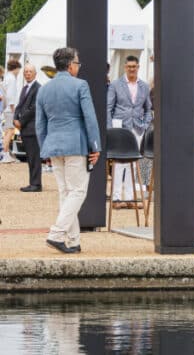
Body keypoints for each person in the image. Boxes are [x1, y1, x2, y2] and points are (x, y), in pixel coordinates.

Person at [35, 47, 101, 253]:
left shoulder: (44, 89)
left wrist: (44, 149)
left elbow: (40, 124)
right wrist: (96, 146)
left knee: (66, 192)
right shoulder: (80, 85)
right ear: (71, 65)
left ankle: (73, 240)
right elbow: (90, 118)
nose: (78, 67)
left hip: (53, 145)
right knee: (78, 191)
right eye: (78, 63)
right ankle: (56, 234)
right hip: (76, 144)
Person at [106, 55, 153, 209]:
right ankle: (117, 198)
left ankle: (131, 198)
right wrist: (110, 128)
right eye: (129, 66)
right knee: (119, 162)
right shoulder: (115, 85)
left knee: (134, 162)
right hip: (120, 128)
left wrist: (145, 124)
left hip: (137, 128)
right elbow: (108, 108)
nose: (132, 69)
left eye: (134, 66)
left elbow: (148, 108)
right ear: (125, 67)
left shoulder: (144, 86)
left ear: (138, 67)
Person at [13, 64, 42, 191]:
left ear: (35, 74)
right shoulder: (25, 88)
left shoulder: (38, 88)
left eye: (30, 71)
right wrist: (15, 118)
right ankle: (32, 182)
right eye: (26, 72)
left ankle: (36, 184)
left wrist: (21, 121)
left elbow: (34, 108)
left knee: (34, 157)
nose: (27, 74)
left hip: (32, 128)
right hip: (25, 128)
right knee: (30, 157)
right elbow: (19, 105)